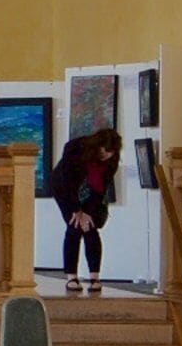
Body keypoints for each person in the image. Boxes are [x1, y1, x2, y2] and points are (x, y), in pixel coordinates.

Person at [46, 127, 124, 296]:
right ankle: (71, 277)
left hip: (91, 195)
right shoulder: (75, 148)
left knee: (90, 228)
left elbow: (101, 188)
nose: (107, 155)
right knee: (74, 227)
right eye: (104, 151)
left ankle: (94, 277)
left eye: (111, 152)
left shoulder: (112, 160)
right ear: (97, 145)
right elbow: (66, 181)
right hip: (65, 192)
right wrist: (75, 210)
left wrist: (88, 212)